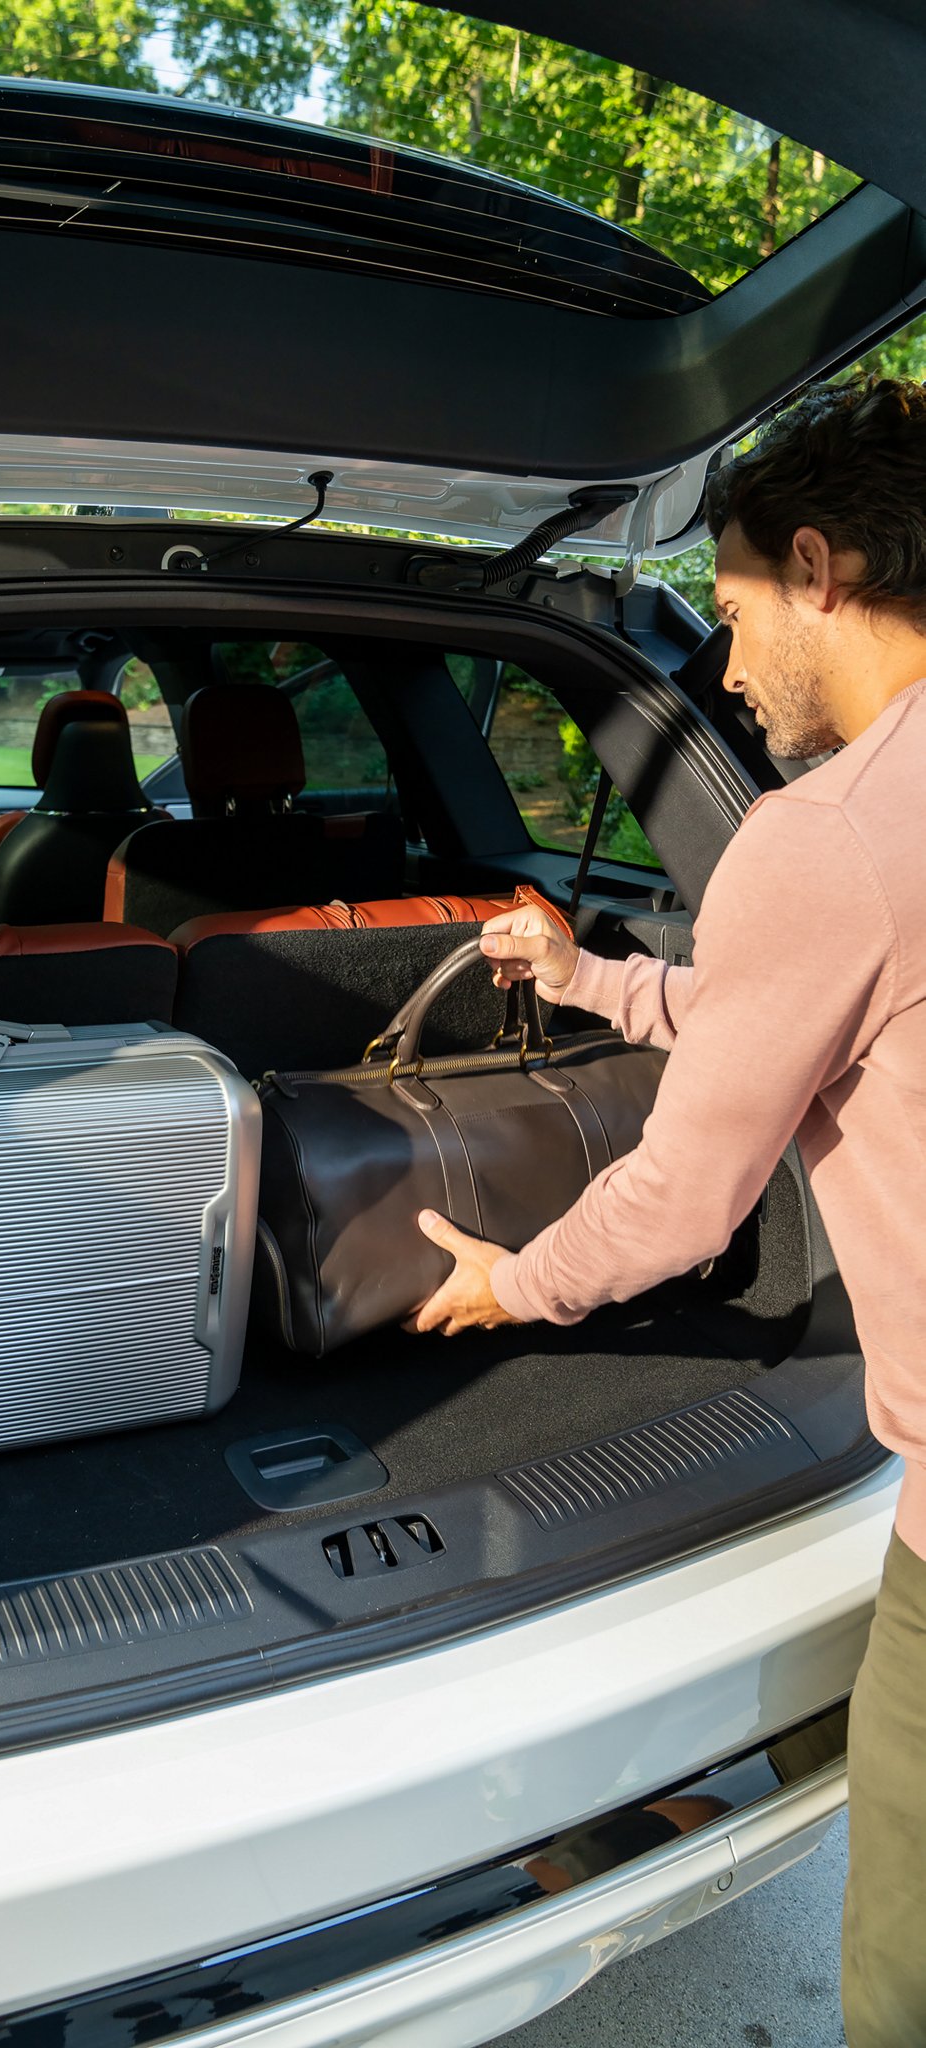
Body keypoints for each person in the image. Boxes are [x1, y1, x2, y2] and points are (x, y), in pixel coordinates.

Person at [407, 376, 926, 2048]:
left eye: (732, 606)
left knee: (903, 1974)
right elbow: (825, 1005)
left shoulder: (827, 831)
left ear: (818, 568)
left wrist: (510, 1286)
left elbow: (686, 1202)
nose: (721, 662)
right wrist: (593, 983)